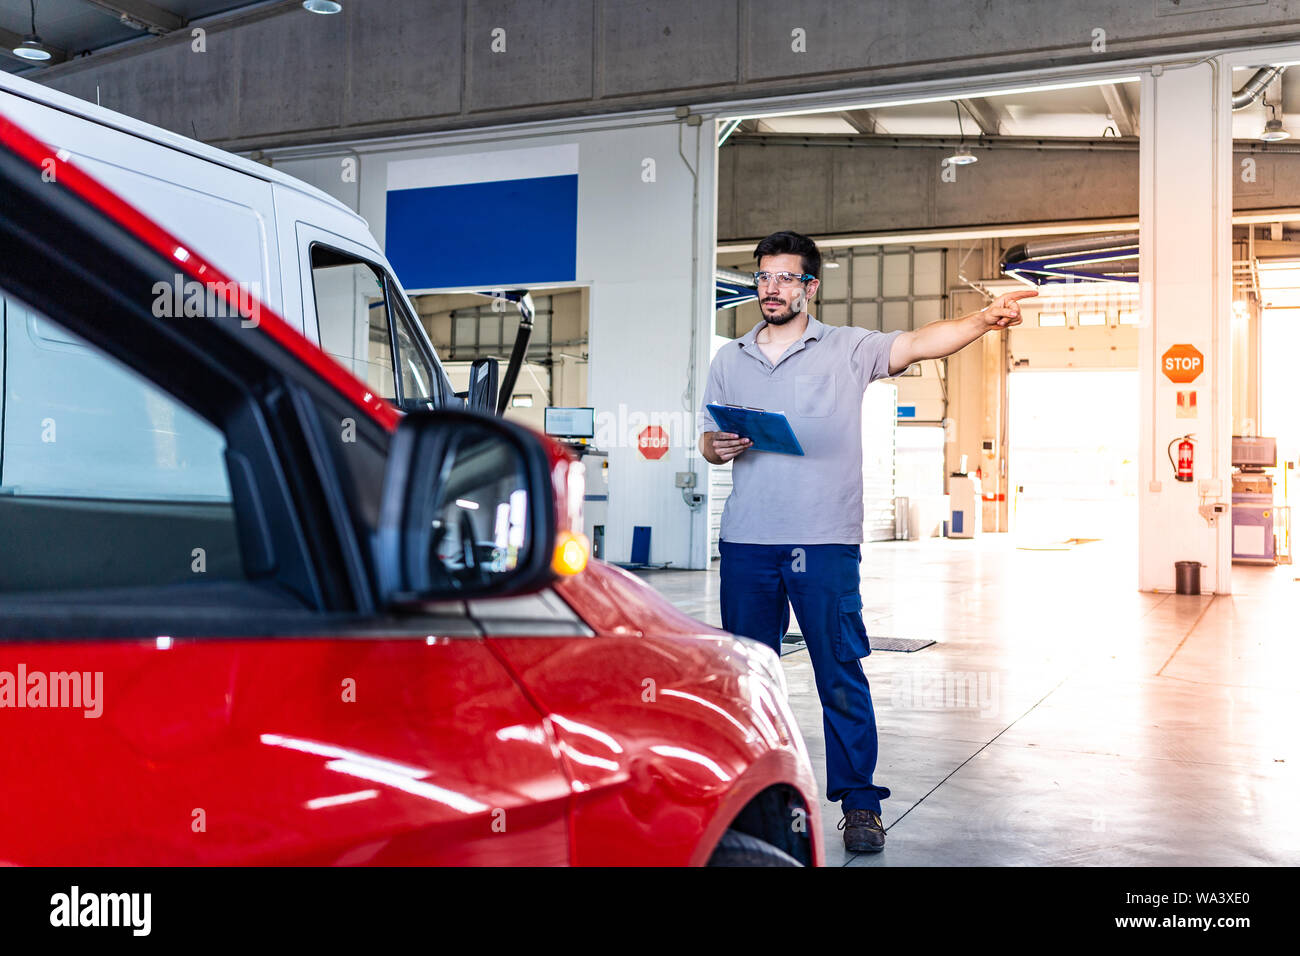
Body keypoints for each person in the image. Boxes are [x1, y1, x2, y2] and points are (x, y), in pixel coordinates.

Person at [697, 230, 1035, 853]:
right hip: (747, 543)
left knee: (840, 673)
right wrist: (715, 447)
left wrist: (984, 321)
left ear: (810, 287)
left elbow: (917, 341)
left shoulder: (847, 349)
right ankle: (750, 802)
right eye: (763, 277)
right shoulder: (729, 359)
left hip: (824, 543)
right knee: (749, 682)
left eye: (784, 278)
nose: (770, 289)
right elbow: (709, 438)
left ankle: (858, 804)